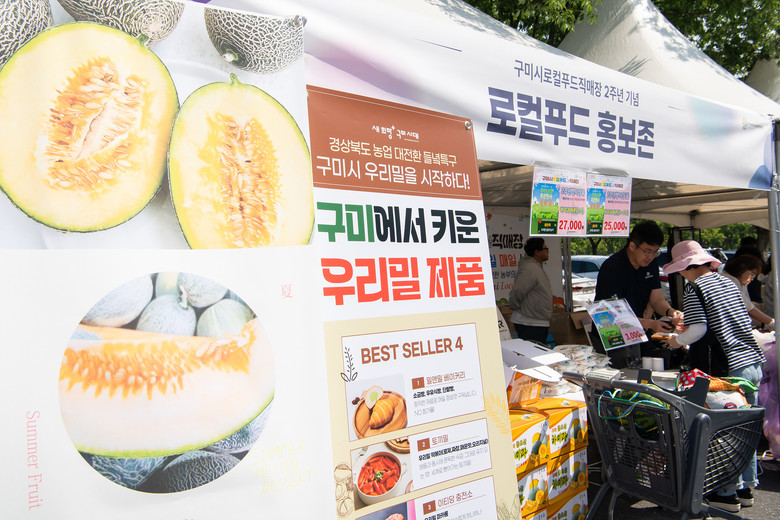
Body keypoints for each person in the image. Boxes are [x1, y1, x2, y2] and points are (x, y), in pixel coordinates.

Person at [664, 240, 765, 513]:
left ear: (686, 267)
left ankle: (726, 494)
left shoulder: (696, 287)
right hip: (751, 362)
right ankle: (745, 489)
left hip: (727, 368)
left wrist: (676, 341)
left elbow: (698, 329)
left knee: (724, 433)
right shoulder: (727, 283)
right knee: (746, 430)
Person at [595, 221, 681, 367]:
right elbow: (611, 315)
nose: (651, 257)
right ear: (632, 246)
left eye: (655, 252)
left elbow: (657, 299)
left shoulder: (650, 264)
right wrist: (651, 324)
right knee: (623, 372)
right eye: (647, 251)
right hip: (612, 335)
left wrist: (671, 312)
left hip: (638, 331)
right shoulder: (612, 268)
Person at [509, 237, 552, 344]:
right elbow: (518, 290)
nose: (547, 251)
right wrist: (514, 305)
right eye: (545, 249)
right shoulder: (529, 268)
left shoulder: (536, 267)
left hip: (537, 321)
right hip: (530, 322)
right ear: (537, 252)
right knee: (533, 351)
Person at [722, 255, 775, 330]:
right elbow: (750, 309)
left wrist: (763, 325)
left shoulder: (735, 282)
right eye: (751, 274)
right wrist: (773, 323)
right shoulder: (731, 283)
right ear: (742, 268)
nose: (752, 279)